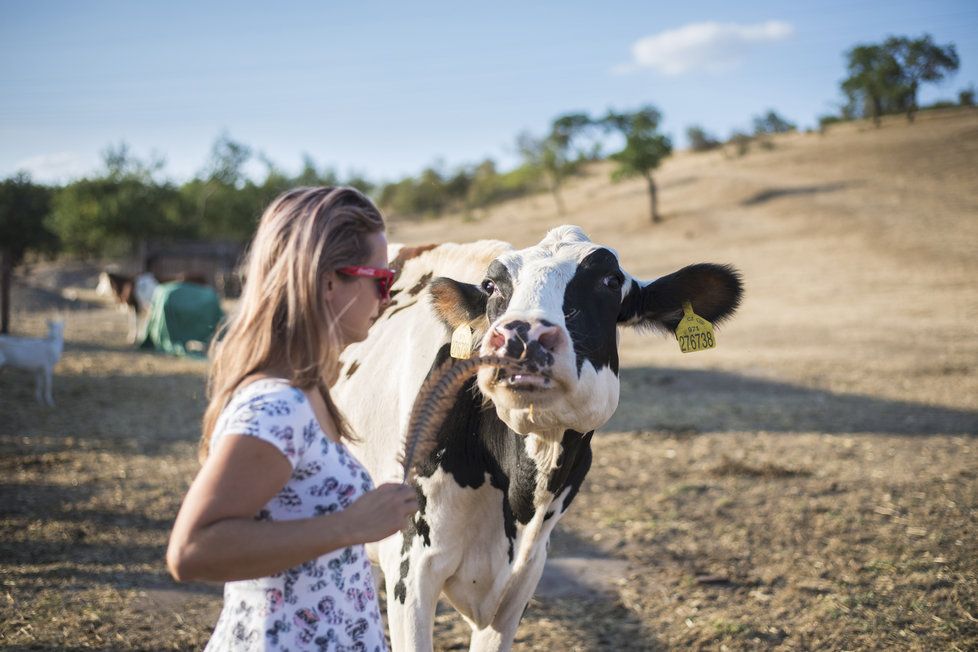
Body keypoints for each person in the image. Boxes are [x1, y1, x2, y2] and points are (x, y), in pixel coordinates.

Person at [167, 187, 418, 651]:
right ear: (327, 283)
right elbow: (191, 551)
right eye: (381, 280)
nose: (387, 297)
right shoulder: (276, 406)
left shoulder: (310, 392)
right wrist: (353, 526)